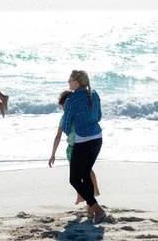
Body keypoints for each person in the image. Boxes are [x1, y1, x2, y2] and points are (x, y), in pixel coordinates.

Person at [61, 70, 107, 223]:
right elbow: (99, 116)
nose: (68, 81)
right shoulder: (94, 93)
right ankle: (93, 210)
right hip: (97, 139)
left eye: (70, 78)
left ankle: (98, 209)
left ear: (76, 82)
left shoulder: (71, 101)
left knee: (74, 179)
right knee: (85, 174)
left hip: (83, 141)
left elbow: (67, 126)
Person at [49, 90, 100, 209]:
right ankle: (95, 190)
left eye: (63, 107)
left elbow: (58, 136)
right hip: (87, 144)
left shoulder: (65, 118)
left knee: (76, 177)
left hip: (74, 149)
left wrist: (53, 154)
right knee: (86, 172)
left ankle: (83, 197)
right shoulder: (80, 114)